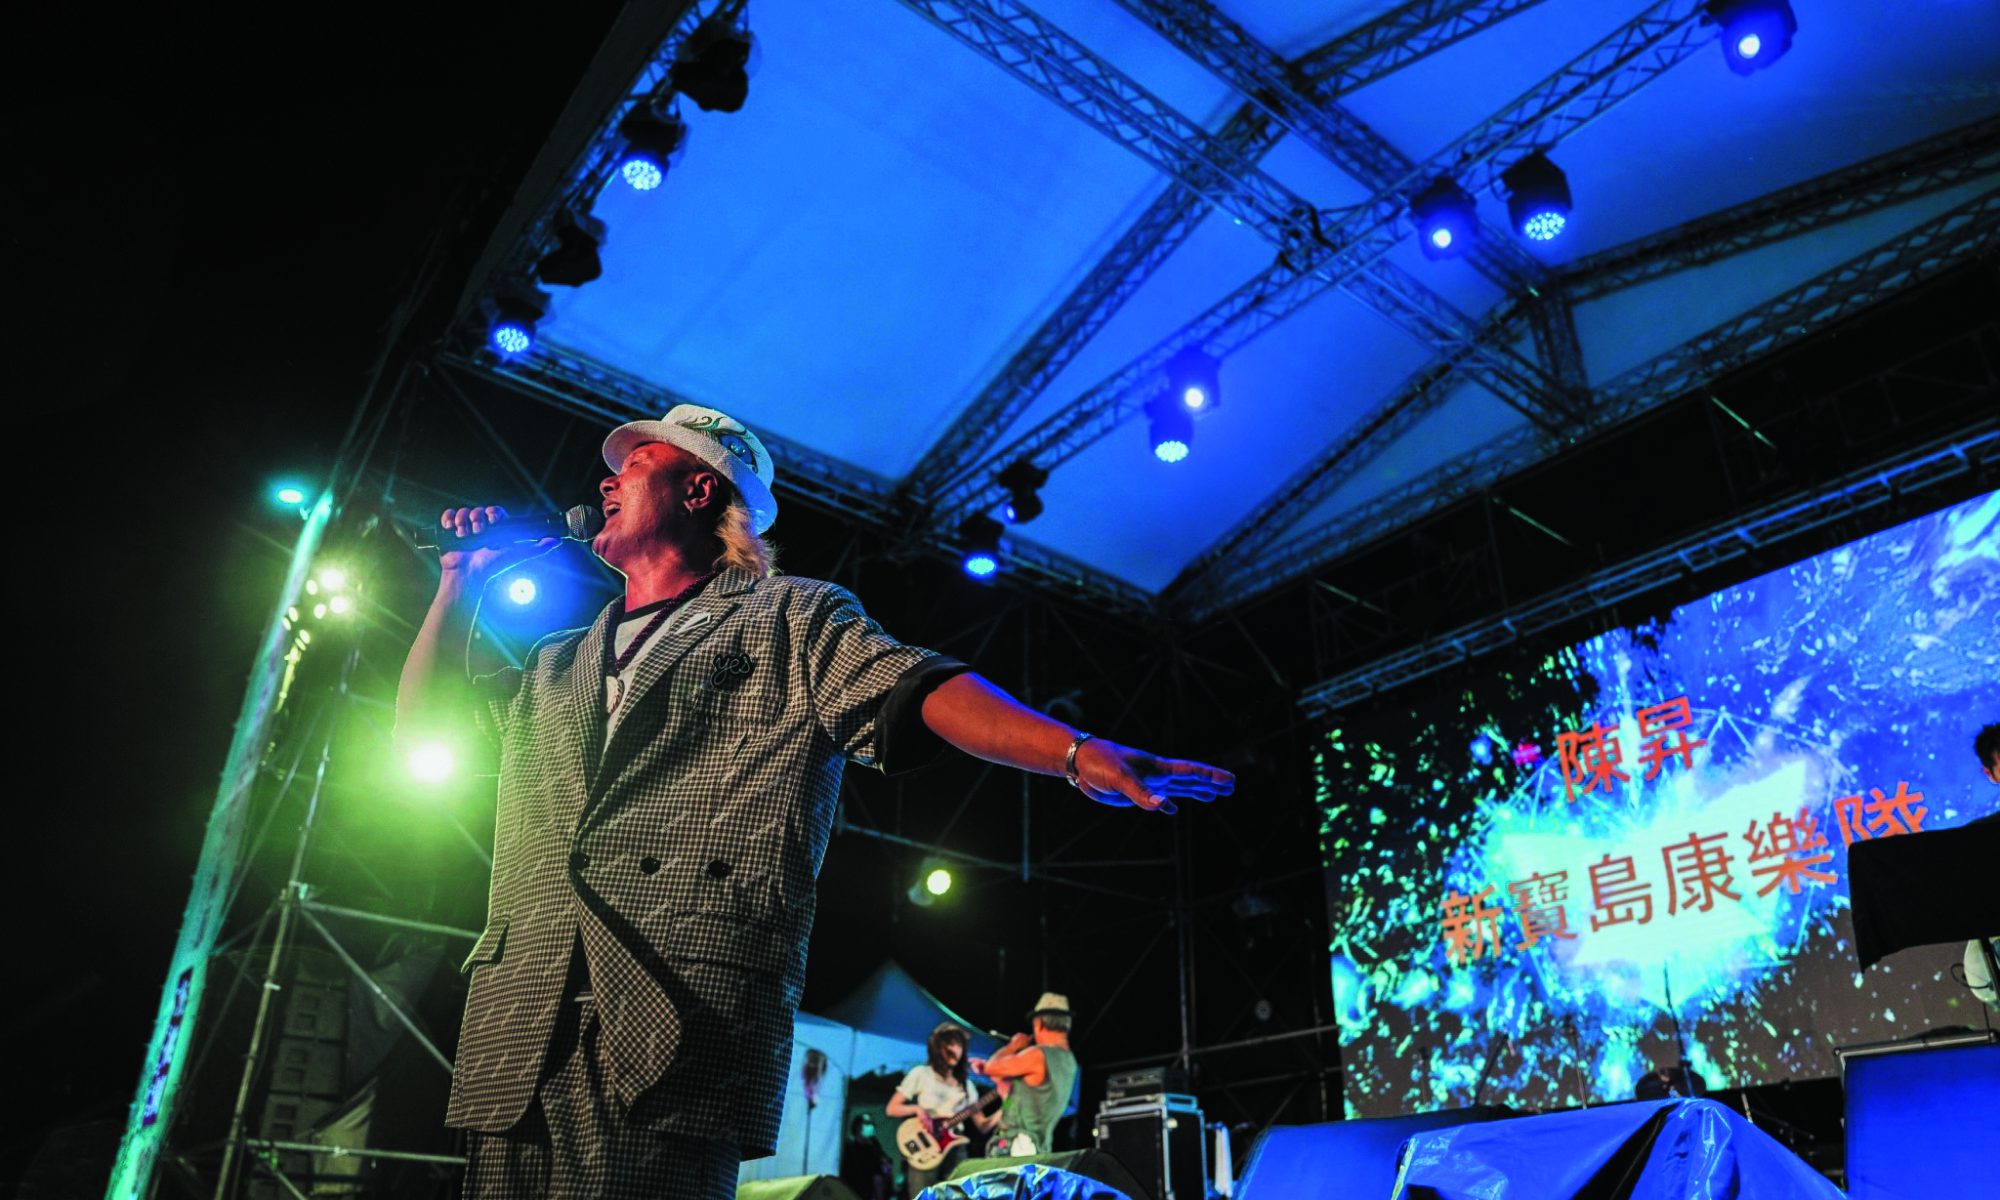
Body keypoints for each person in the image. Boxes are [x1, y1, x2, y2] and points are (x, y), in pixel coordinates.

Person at [395, 404, 1234, 1200]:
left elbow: (919, 688)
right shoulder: (554, 662)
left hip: (671, 1013)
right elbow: (424, 728)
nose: (608, 480)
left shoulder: (790, 617)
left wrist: (1074, 752)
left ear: (699, 488)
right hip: (521, 1019)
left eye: (637, 463)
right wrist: (457, 587)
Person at [886, 1022, 997, 1196]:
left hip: (955, 1147)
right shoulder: (921, 1074)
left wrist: (1007, 1103)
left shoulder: (967, 1086)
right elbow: (892, 1108)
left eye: (959, 1045)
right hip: (925, 1146)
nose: (955, 1050)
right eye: (950, 1044)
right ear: (938, 1048)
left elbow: (983, 1125)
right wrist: (917, 1110)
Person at [970, 993, 1079, 1159]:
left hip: (1017, 1146)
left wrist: (1013, 1046)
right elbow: (1020, 1094)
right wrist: (1006, 1093)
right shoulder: (1070, 1062)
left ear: (1039, 1023)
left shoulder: (1038, 1054)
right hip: (1038, 1146)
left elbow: (992, 1067)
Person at [840, 1113, 894, 1200]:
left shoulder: (874, 1148)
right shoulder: (848, 1149)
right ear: (858, 1127)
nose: (872, 1126)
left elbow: (879, 1173)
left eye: (872, 1123)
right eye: (867, 1123)